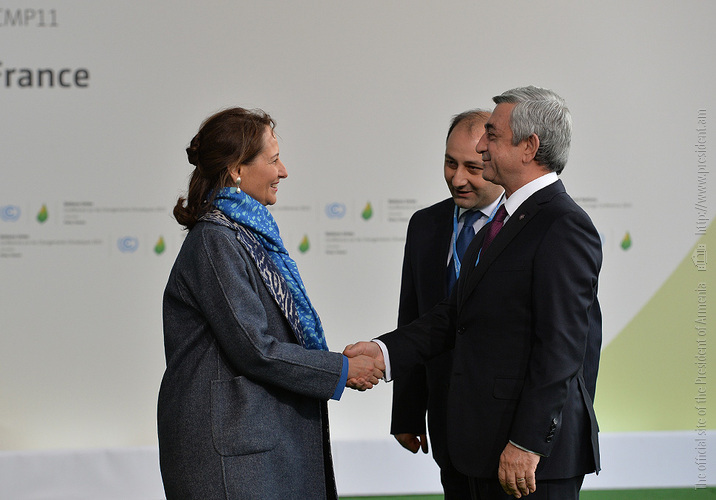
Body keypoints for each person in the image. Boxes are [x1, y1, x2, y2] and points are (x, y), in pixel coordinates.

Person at [345, 86, 602, 500]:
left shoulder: (562, 224)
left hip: (529, 463)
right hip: (478, 450)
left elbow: (562, 348)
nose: (482, 147)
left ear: (529, 147)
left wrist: (527, 442)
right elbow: (453, 316)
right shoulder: (505, 221)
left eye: (492, 136)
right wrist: (383, 352)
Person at [157, 107, 384, 500]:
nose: (283, 171)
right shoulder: (216, 240)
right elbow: (254, 348)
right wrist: (341, 368)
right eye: (274, 160)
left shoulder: (243, 235)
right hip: (232, 458)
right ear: (236, 170)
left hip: (253, 448)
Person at [391, 110, 503, 498]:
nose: (457, 178)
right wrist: (407, 413)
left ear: (495, 161)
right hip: (447, 425)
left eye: (473, 167)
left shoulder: (527, 227)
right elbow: (413, 317)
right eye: (450, 163)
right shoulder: (425, 224)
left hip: (506, 427)